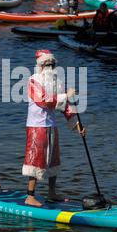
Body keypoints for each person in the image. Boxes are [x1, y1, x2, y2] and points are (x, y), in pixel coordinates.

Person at [23, 49, 85, 207]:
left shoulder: (56, 82)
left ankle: (52, 193)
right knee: (35, 160)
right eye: (47, 64)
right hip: (36, 127)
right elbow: (44, 101)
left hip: (51, 126)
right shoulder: (33, 80)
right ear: (40, 66)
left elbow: (65, 106)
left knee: (54, 160)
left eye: (52, 64)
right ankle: (30, 196)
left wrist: (77, 125)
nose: (50, 67)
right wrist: (66, 96)